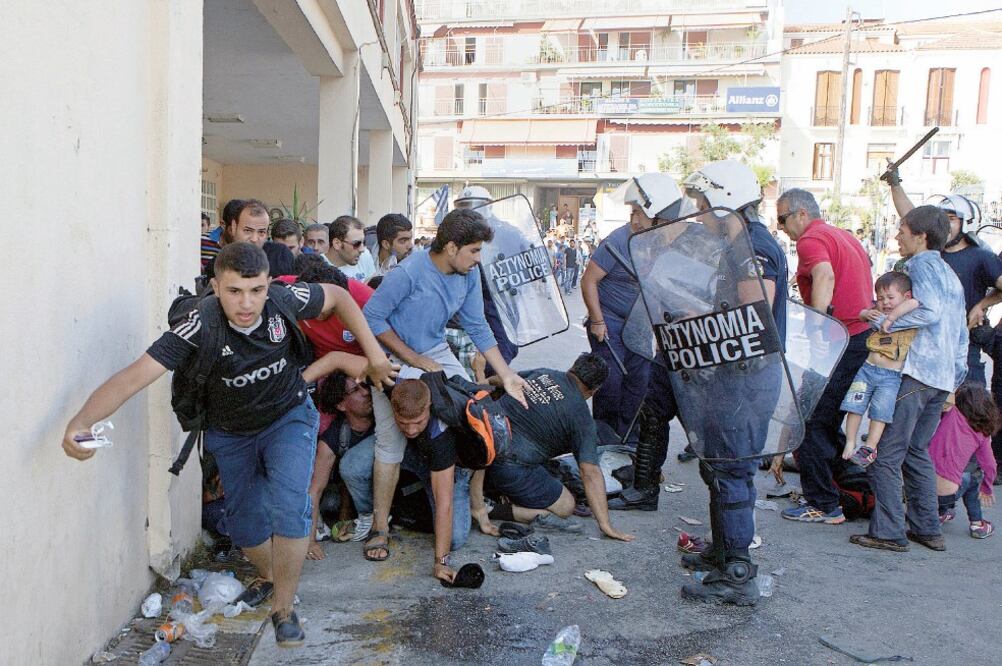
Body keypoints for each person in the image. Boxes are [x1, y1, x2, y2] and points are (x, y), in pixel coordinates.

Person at [61, 242, 396, 647]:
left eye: (256, 290)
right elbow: (134, 376)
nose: (247, 303)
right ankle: (271, 575)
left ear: (268, 284)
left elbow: (340, 296)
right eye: (235, 291)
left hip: (288, 417)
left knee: (291, 506)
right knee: (246, 525)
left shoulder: (284, 300)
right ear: (217, 287)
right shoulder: (199, 324)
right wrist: (81, 421)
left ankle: (284, 610)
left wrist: (375, 354)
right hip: (231, 433)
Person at [361, 209, 528, 567]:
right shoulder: (409, 272)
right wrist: (413, 360)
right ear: (451, 247)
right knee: (390, 441)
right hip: (393, 355)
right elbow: (371, 317)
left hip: (436, 352)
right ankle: (379, 526)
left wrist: (506, 374)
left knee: (475, 412)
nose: (478, 259)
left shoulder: (468, 275)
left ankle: (469, 498)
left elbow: (478, 326)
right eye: (474, 251)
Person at [656, 161, 786, 605]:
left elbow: (754, 314)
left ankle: (737, 574)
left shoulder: (753, 246)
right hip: (731, 376)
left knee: (732, 471)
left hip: (748, 380)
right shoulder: (736, 246)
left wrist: (704, 319)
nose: (700, 214)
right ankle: (722, 552)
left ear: (725, 202)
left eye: (704, 205)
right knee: (718, 468)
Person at [850, 206, 968, 553]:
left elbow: (928, 312)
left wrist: (881, 323)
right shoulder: (949, 273)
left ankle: (888, 532)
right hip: (940, 377)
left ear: (920, 236)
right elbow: (960, 332)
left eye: (901, 230)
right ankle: (927, 528)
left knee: (885, 453)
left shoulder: (921, 266)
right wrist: (954, 380)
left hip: (915, 373)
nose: (896, 236)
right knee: (916, 451)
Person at [775, 188, 873, 525]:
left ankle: (823, 503)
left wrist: (817, 327)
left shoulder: (811, 240)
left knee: (811, 419)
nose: (781, 227)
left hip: (838, 340)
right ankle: (835, 487)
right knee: (825, 417)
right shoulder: (842, 236)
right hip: (857, 337)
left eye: (783, 219)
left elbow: (825, 276)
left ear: (801, 214)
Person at [581, 173, 687, 447]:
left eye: (640, 213)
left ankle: (627, 443)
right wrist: (597, 320)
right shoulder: (618, 241)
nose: (634, 220)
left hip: (640, 326)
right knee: (611, 385)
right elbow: (589, 280)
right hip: (610, 324)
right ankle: (603, 442)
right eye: (633, 212)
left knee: (639, 386)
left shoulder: (663, 241)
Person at [484, 354, 634, 542]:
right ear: (594, 390)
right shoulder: (582, 419)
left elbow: (499, 379)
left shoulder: (544, 374)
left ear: (572, 368)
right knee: (565, 506)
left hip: (480, 448)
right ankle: (490, 508)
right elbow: (590, 472)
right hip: (506, 467)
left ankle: (489, 490)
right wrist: (605, 525)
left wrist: (483, 383)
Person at [885, 167, 999, 385]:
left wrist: (981, 304)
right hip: (922, 350)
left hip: (960, 350)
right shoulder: (931, 253)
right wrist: (895, 184)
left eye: (951, 219)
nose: (944, 225)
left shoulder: (981, 256)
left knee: (968, 411)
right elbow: (912, 217)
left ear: (967, 223)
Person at [840, 271, 920, 467]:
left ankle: (870, 447)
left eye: (891, 297)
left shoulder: (909, 313)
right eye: (881, 298)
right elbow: (861, 314)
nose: (885, 302)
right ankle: (850, 441)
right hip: (867, 369)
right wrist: (867, 313)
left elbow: (915, 303)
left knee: (880, 412)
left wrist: (891, 318)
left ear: (905, 295)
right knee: (854, 406)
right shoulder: (878, 312)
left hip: (890, 376)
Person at [306, 372, 375, 560]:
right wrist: (310, 541)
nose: (366, 392)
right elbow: (315, 490)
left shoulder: (383, 418)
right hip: (367, 502)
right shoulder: (333, 437)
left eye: (364, 386)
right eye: (355, 390)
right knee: (330, 502)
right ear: (341, 405)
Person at [932, 386, 998, 539]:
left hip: (921, 486)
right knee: (974, 476)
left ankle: (941, 513)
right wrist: (986, 488)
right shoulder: (982, 432)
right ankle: (977, 524)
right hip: (945, 493)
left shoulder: (950, 412)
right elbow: (990, 466)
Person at [203, 199, 273, 280]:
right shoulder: (217, 266)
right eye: (247, 231)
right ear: (233, 227)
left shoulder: (275, 262)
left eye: (261, 232)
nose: (254, 239)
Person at [326, 215, 377, 281]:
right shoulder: (317, 268)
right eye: (356, 244)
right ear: (337, 243)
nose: (362, 249)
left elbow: (372, 285)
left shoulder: (364, 255)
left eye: (364, 242)